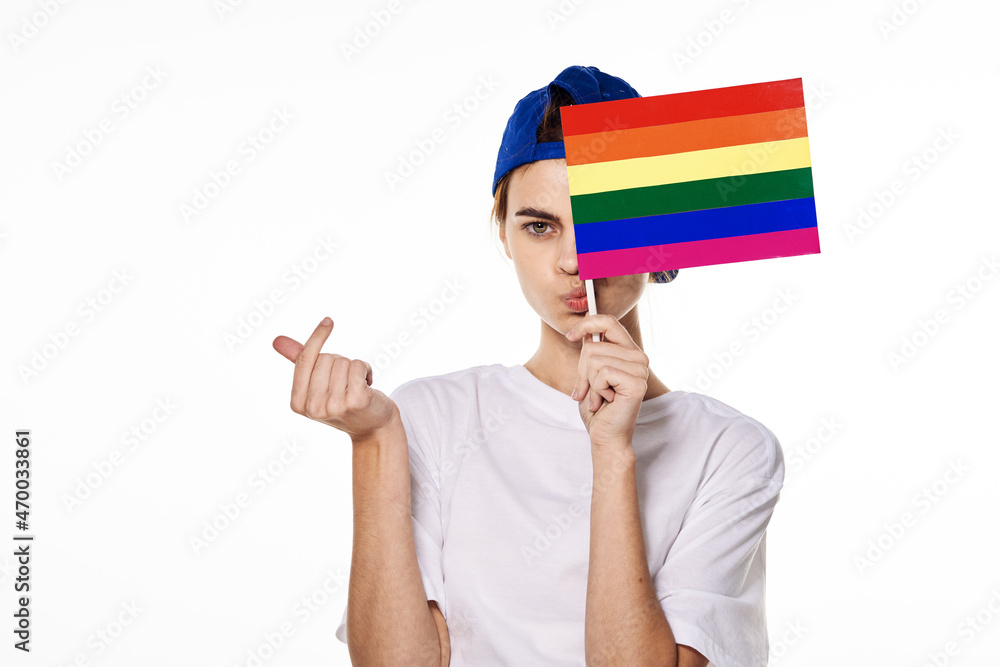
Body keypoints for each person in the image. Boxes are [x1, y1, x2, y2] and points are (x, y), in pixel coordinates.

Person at [272, 65, 784, 667]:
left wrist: (612, 451)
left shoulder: (732, 450)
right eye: (540, 226)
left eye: (605, 222)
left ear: (659, 237)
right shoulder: (432, 417)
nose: (573, 258)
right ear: (505, 235)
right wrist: (375, 442)